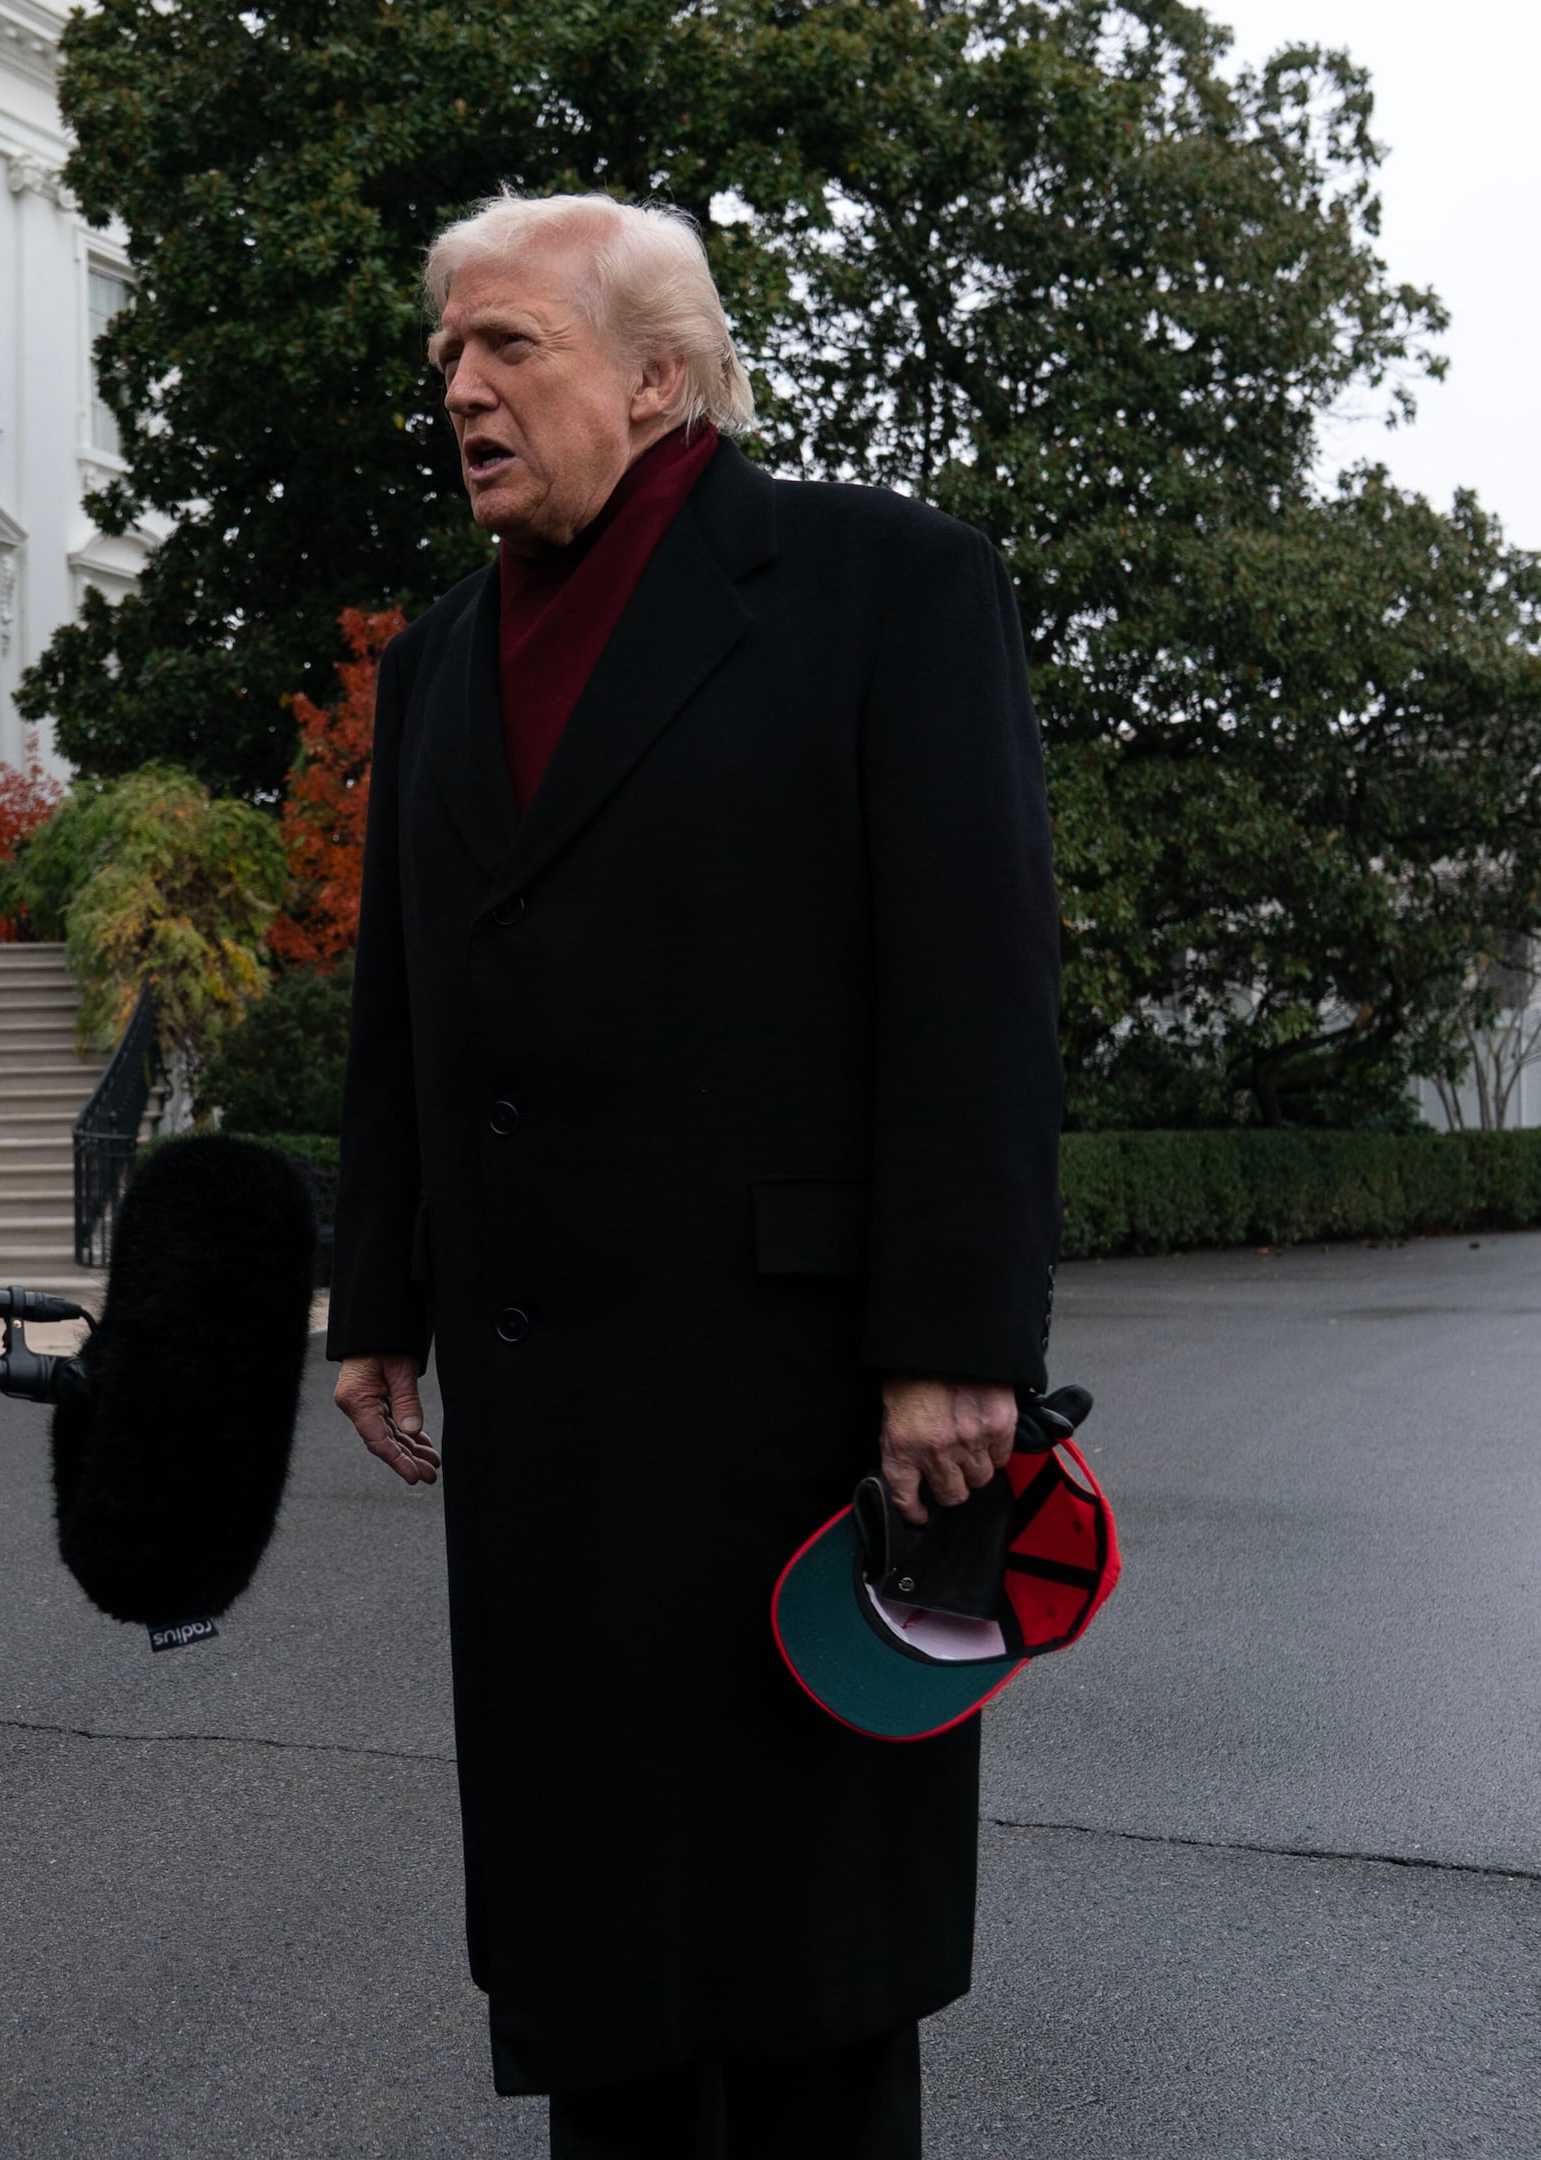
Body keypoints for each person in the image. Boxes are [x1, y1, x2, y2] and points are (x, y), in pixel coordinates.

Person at [326, 194, 1061, 2159]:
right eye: (449, 361)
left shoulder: (881, 585)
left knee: (810, 1970)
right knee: (601, 1962)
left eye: (510, 351)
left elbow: (976, 988)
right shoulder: (442, 661)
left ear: (660, 377)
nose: (461, 391)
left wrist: (952, 1348)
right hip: (548, 1410)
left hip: (802, 1402)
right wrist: (377, 1287)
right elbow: (403, 999)